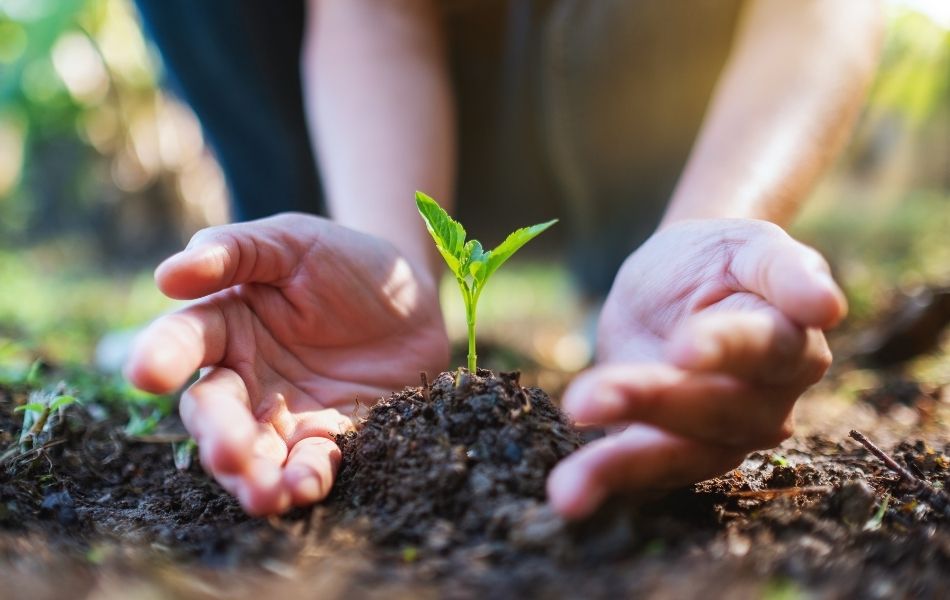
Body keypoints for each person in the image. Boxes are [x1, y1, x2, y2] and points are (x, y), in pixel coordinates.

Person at [123, 0, 882, 517]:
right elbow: (374, 14)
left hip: (647, 111)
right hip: (402, 122)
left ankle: (649, 267)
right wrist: (391, 259)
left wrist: (719, 220)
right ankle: (306, 281)